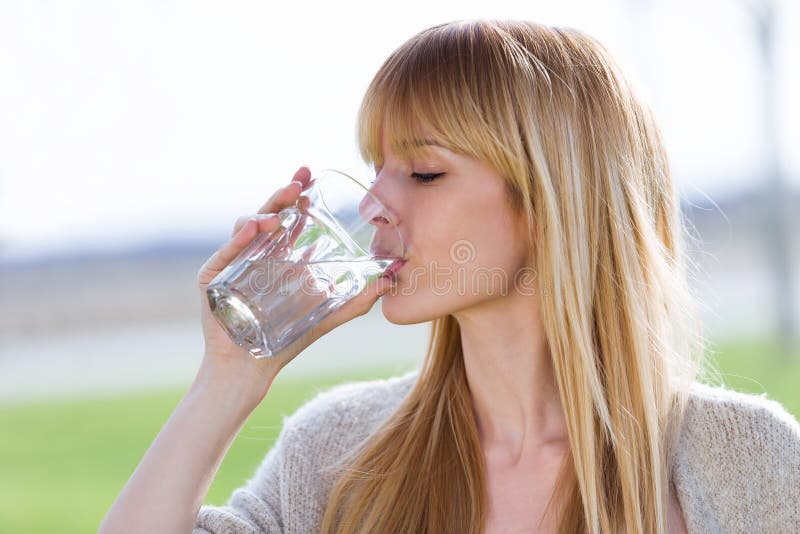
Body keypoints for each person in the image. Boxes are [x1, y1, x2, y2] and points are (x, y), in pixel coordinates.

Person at [99, 19, 800, 534]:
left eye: (423, 171)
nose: (373, 204)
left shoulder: (748, 460)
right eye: (376, 169)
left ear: (556, 200)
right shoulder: (337, 451)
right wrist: (228, 375)